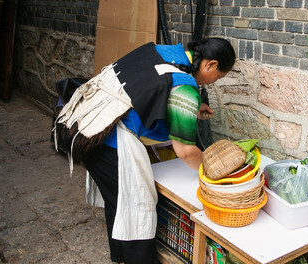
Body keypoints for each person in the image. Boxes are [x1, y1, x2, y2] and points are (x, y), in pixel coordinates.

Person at [81, 37, 236, 264]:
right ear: (210, 65)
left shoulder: (165, 52)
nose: (213, 82)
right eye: (219, 76)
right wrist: (213, 168)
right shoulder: (186, 88)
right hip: (107, 142)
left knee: (116, 199)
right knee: (137, 206)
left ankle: (120, 258)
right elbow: (184, 151)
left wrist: (193, 109)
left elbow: (153, 88)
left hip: (89, 125)